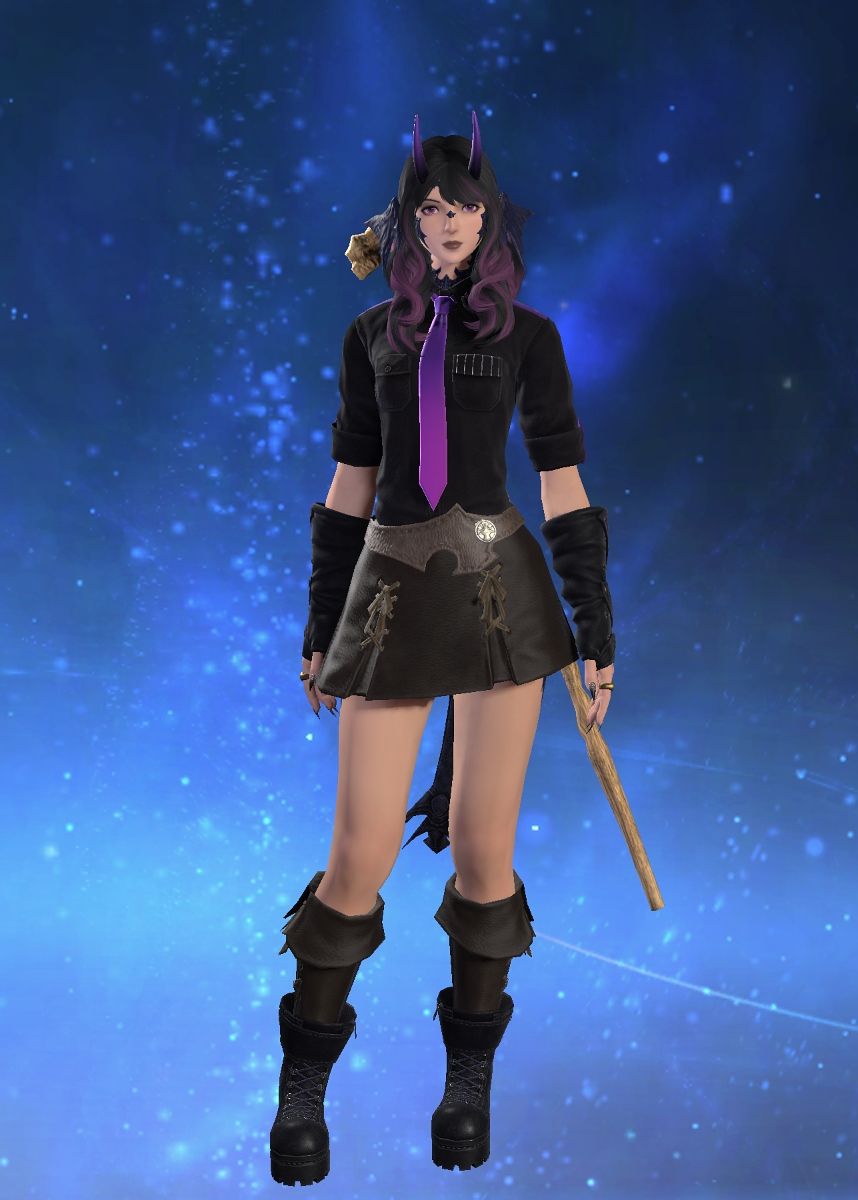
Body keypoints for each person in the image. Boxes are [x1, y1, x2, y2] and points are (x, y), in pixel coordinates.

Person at [269, 111, 616, 1187]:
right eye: (429, 207)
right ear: (407, 222)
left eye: (463, 206)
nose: (448, 221)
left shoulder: (528, 338)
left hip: (502, 601)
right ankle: (302, 1091)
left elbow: (562, 483)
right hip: (386, 598)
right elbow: (349, 489)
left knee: (481, 852)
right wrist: (319, 625)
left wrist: (594, 626)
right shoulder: (371, 336)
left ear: (488, 216)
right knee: (359, 855)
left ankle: (467, 1084)